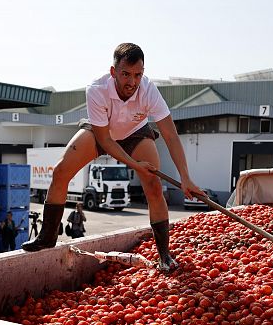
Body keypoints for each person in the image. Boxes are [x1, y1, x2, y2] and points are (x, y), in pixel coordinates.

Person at [21, 43, 201, 272]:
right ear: (113, 71)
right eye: (126, 74)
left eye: (138, 75)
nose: (132, 82)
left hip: (136, 132)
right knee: (60, 171)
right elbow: (105, 140)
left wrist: (185, 177)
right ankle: (46, 237)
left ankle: (164, 255)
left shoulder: (149, 90)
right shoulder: (96, 89)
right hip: (102, 132)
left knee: (154, 185)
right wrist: (135, 165)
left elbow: (170, 134)